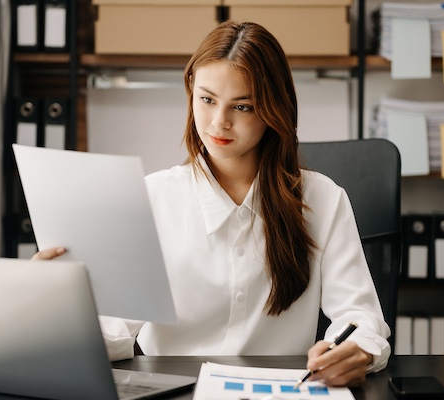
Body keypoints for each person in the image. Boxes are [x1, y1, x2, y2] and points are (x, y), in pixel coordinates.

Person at [34, 20, 390, 387]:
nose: (219, 123)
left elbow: (359, 318)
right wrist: (54, 308)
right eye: (207, 100)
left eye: (243, 107)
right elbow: (113, 333)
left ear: (273, 110)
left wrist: (355, 351)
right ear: (190, 91)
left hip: (279, 392)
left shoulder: (323, 200)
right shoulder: (152, 198)